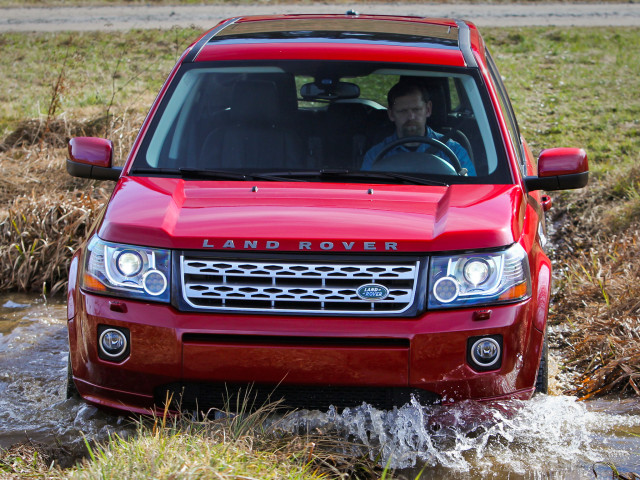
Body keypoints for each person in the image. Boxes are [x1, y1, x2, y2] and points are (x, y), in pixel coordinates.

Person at [361, 81, 476, 175]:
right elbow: (366, 193)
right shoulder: (375, 156)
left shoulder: (454, 151)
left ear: (428, 109)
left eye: (416, 110)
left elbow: (470, 193)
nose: (411, 117)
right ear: (391, 114)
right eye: (403, 111)